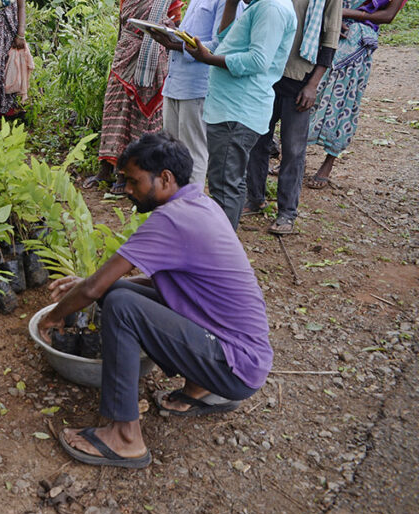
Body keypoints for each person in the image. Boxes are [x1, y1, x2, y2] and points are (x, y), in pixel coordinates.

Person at [38, 132, 272, 469]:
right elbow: (170, 280)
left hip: (234, 365)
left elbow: (93, 289)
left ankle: (124, 437)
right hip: (239, 355)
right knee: (117, 293)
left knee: (120, 306)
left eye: (133, 181)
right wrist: (97, 286)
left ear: (165, 178)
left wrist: (54, 316)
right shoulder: (199, 204)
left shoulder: (171, 220)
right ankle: (199, 389)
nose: (128, 190)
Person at [182, 0, 297, 230]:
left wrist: (209, 59)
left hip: (238, 110)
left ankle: (220, 250)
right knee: (225, 180)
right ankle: (221, 243)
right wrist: (232, 3)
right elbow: (228, 39)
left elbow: (258, 60)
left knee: (224, 186)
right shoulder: (257, 3)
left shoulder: (271, 8)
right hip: (229, 106)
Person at [244, 0, 343, 234]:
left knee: (294, 149)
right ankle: (254, 197)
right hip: (269, 75)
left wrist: (313, 83)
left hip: (300, 79)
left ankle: (287, 211)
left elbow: (329, 39)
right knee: (258, 141)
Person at [307, 0, 419, 189]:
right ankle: (294, 155)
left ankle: (328, 161)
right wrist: (327, 16)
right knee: (309, 88)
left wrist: (340, 14)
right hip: (324, 28)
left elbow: (388, 15)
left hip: (357, 39)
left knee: (344, 97)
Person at [84, 0, 182, 193]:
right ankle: (106, 169)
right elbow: (122, 29)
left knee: (139, 116)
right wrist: (120, 54)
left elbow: (173, 35)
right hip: (123, 59)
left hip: (151, 62)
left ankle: (128, 174)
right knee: (114, 113)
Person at [155, 0, 240, 183]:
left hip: (198, 85)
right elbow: (192, 34)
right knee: (171, 148)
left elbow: (220, 44)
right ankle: (174, 202)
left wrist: (178, 45)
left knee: (193, 151)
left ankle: (191, 208)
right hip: (176, 81)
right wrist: (173, 31)